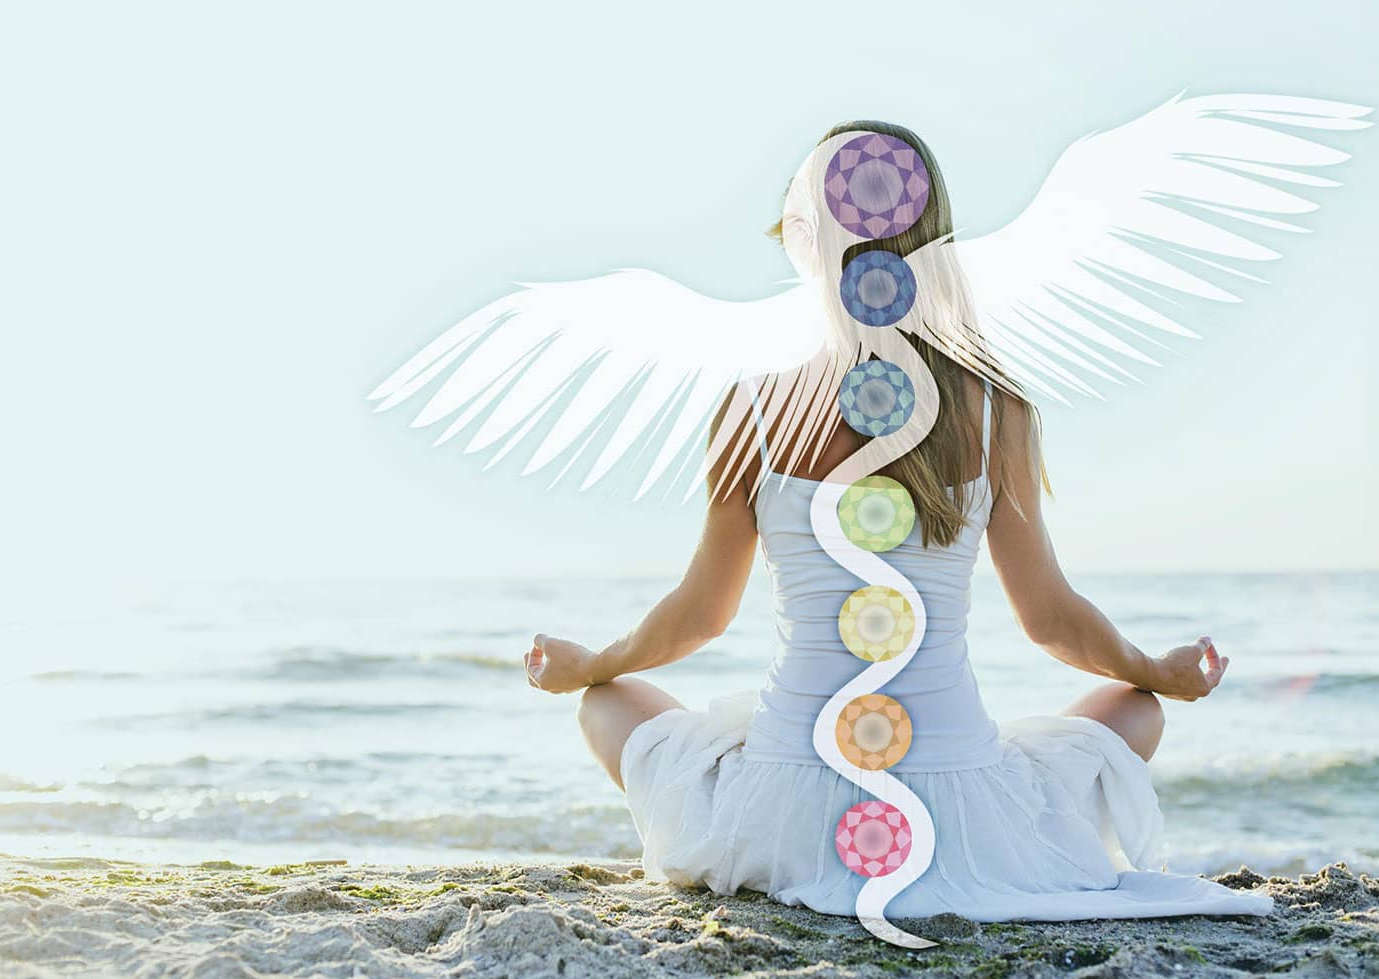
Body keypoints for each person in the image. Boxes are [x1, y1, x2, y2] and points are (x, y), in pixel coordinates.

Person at [523, 121, 1272, 922]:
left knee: (606, 703)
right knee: (1135, 711)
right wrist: (1156, 672)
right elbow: (1051, 621)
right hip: (962, 812)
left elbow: (701, 616)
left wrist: (590, 663)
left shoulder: (753, 407)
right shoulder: (996, 409)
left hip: (786, 808)